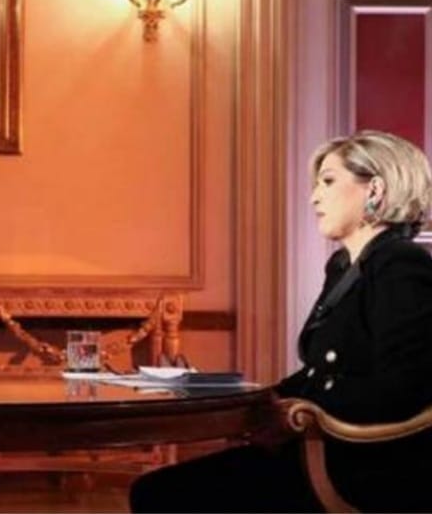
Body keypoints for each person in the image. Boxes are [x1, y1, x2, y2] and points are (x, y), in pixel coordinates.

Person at [130, 129, 432, 512]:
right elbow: (321, 371)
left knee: (159, 494)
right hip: (325, 448)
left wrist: (297, 412)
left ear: (374, 190)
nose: (314, 197)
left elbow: (403, 387)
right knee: (157, 489)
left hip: (368, 464)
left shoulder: (401, 264)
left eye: (328, 181)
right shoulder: (344, 266)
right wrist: (264, 397)